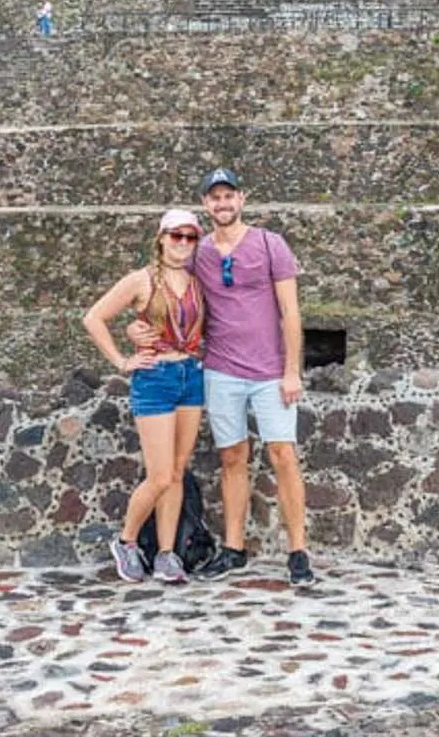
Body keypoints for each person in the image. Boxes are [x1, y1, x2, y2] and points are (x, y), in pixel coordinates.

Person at [131, 169, 314, 587]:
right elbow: (161, 289)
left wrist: (292, 371)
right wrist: (133, 328)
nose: (223, 204)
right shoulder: (199, 252)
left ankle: (298, 550)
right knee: (232, 458)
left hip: (270, 372)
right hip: (220, 370)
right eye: (215, 198)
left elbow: (291, 311)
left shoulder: (270, 245)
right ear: (205, 204)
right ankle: (234, 548)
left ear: (242, 199)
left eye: (229, 196)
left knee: (283, 455)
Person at [84, 210, 207, 584]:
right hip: (155, 378)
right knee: (159, 475)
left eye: (190, 237)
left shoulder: (198, 280)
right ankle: (126, 540)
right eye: (175, 235)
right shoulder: (141, 280)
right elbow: (94, 318)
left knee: (177, 471)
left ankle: (167, 554)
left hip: (191, 375)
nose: (182, 243)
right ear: (161, 238)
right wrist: (122, 361)